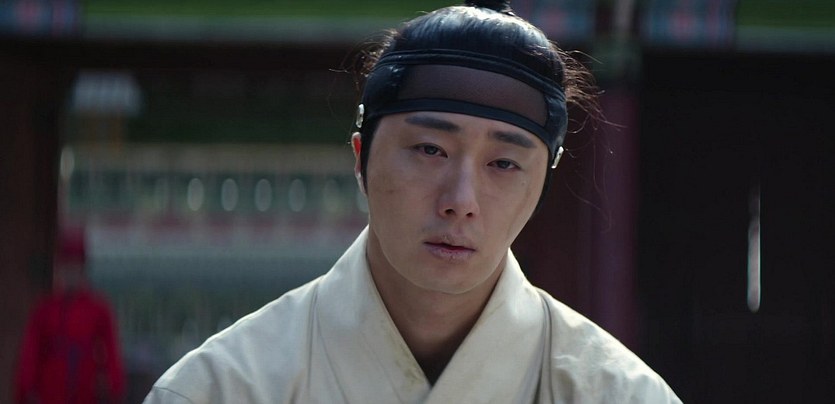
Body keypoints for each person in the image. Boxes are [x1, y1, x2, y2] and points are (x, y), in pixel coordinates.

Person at [145, 1, 681, 402]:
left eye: (503, 164)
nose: (460, 201)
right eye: (429, 150)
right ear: (361, 158)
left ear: (541, 184)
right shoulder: (221, 388)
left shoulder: (619, 394)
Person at [15, 227, 126, 404]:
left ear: (83, 269)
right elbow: (30, 354)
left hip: (86, 390)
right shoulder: (44, 310)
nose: (70, 273)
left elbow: (111, 352)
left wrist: (113, 386)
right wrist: (27, 388)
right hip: (50, 391)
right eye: (66, 267)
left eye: (75, 267)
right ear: (59, 269)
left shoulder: (98, 309)